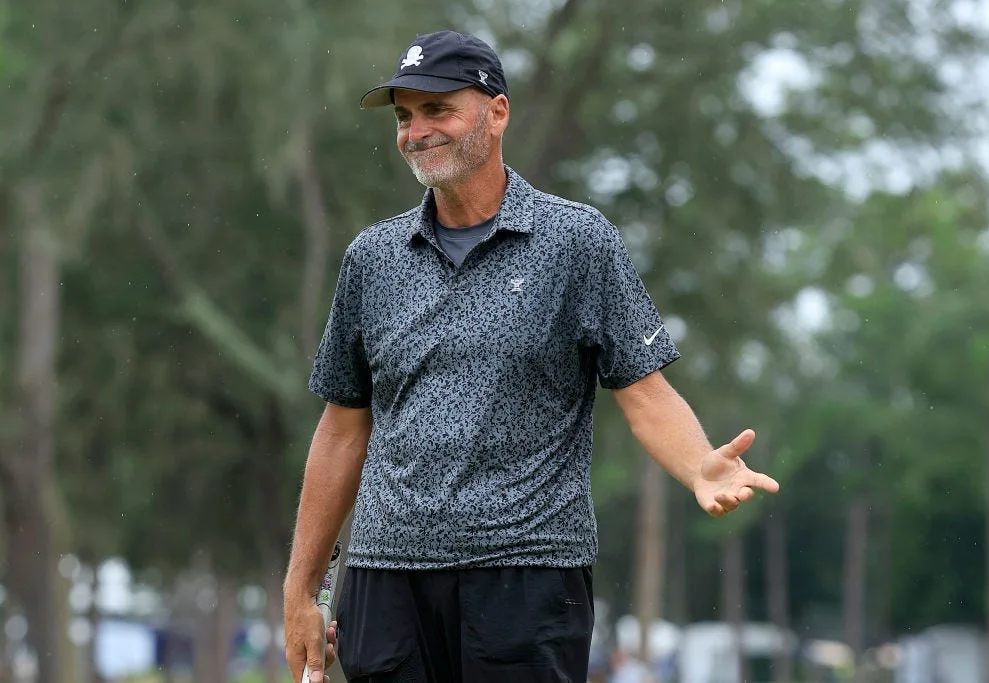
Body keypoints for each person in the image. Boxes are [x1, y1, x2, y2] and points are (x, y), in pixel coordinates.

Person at [282, 29, 780, 683]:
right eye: (405, 116)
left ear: (497, 112)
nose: (416, 131)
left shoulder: (577, 242)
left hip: (528, 575)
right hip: (387, 577)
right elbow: (343, 430)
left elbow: (645, 392)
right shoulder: (371, 259)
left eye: (437, 109)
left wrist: (699, 467)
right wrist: (301, 588)